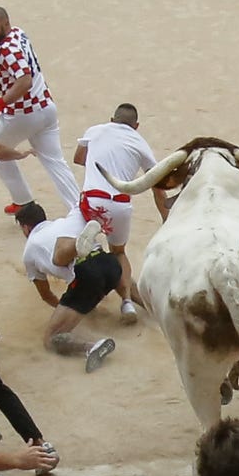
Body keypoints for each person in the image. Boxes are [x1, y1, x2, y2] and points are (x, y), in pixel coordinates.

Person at [0, 5, 78, 214]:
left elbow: (24, 80)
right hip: (46, 109)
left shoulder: (6, 51)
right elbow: (17, 60)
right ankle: (79, 210)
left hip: (22, 115)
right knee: (56, 164)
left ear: (5, 23)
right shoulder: (18, 34)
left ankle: (23, 201)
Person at [72, 102, 164, 317]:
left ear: (112, 120)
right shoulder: (140, 142)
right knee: (119, 252)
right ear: (136, 126)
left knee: (79, 247)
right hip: (120, 204)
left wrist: (100, 161)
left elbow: (78, 158)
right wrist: (166, 216)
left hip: (92, 200)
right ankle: (127, 302)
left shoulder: (95, 130)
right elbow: (157, 185)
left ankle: (84, 294)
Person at [15, 201, 120, 368]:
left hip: (86, 277)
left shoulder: (29, 250)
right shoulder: (62, 223)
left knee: (51, 338)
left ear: (25, 228)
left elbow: (46, 294)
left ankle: (92, 347)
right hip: (110, 264)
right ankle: (133, 302)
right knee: (105, 275)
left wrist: (65, 309)